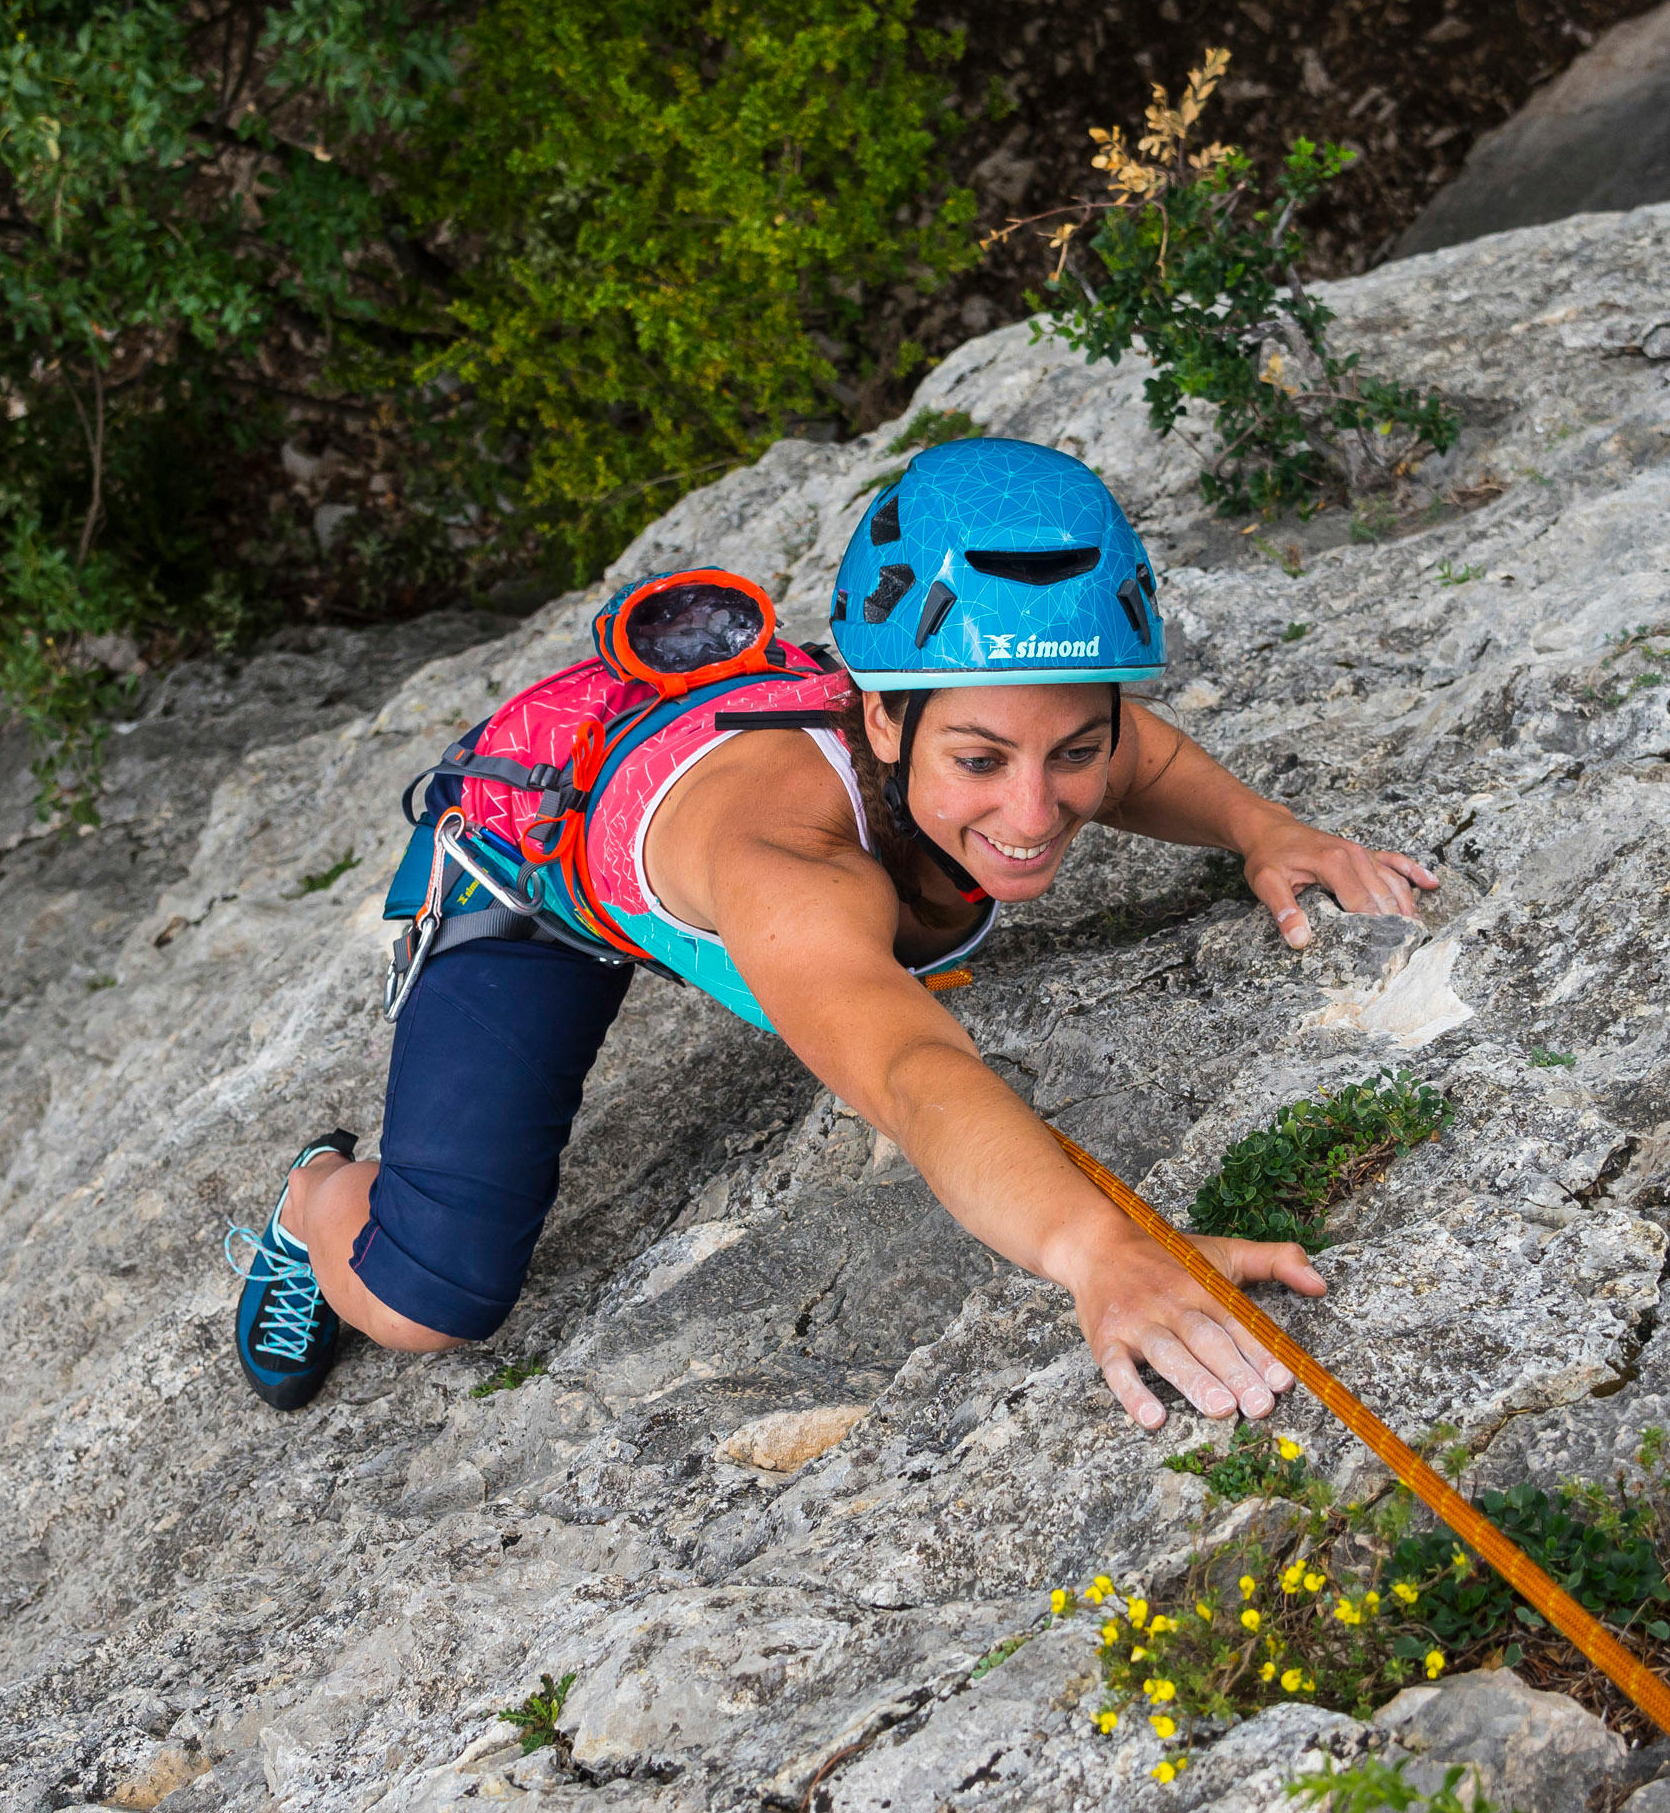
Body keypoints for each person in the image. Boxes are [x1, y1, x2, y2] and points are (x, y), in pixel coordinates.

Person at [226, 437, 1436, 1423]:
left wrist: (1262, 830)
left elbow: (1133, 760)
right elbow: (911, 1073)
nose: (1034, 810)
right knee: (427, 1298)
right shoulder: (789, 868)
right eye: (979, 758)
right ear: (884, 720)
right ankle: (311, 1196)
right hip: (525, 878)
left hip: (708, 786)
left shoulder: (1005, 726)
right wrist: (1096, 1251)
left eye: (1070, 750)